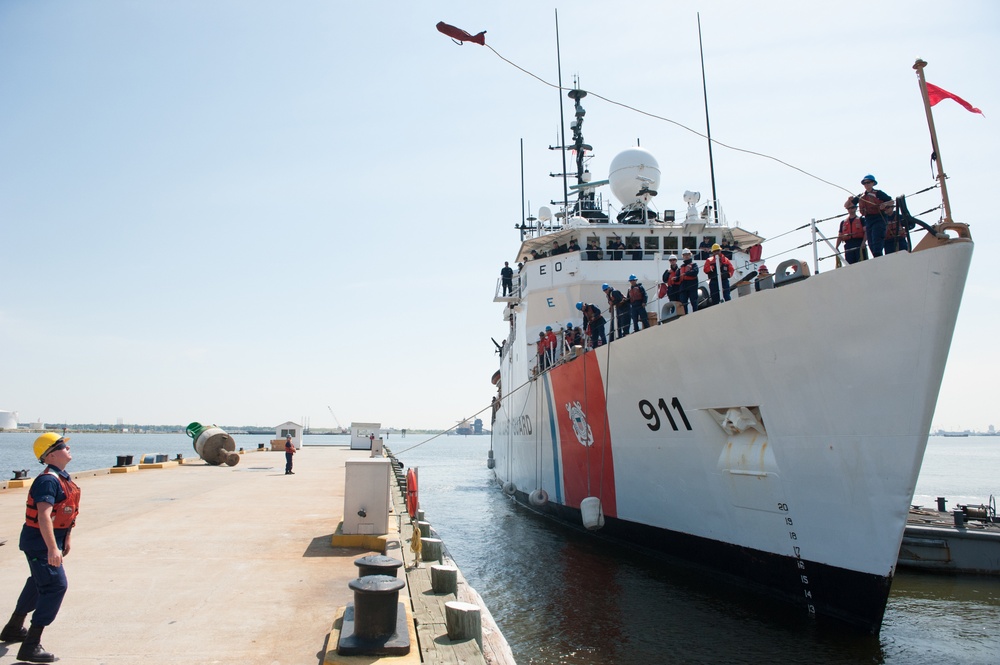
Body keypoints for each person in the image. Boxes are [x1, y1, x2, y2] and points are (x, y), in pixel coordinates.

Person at [2, 433, 81, 663]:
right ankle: (31, 645)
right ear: (51, 454)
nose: (67, 448)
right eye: (62, 446)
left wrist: (65, 539)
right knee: (55, 585)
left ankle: (14, 627)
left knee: (38, 582)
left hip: (48, 541)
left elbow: (64, 512)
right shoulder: (48, 480)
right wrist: (51, 549)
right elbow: (45, 516)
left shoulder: (61, 477)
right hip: (40, 543)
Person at [849, 174, 893, 257]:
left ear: (873, 183)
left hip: (879, 218)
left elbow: (891, 201)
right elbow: (849, 204)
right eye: (864, 183)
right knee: (870, 242)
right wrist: (849, 200)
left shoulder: (878, 193)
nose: (866, 184)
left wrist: (884, 204)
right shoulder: (861, 196)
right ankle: (876, 257)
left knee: (877, 238)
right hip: (868, 219)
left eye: (868, 182)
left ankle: (878, 256)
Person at [679, 249, 700, 313]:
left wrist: (686, 273)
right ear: (683, 256)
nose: (686, 256)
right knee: (684, 303)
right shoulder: (681, 267)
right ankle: (685, 317)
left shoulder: (694, 265)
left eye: (687, 255)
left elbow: (695, 272)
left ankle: (695, 315)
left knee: (694, 302)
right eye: (685, 255)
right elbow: (677, 276)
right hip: (683, 286)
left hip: (692, 285)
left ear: (690, 255)